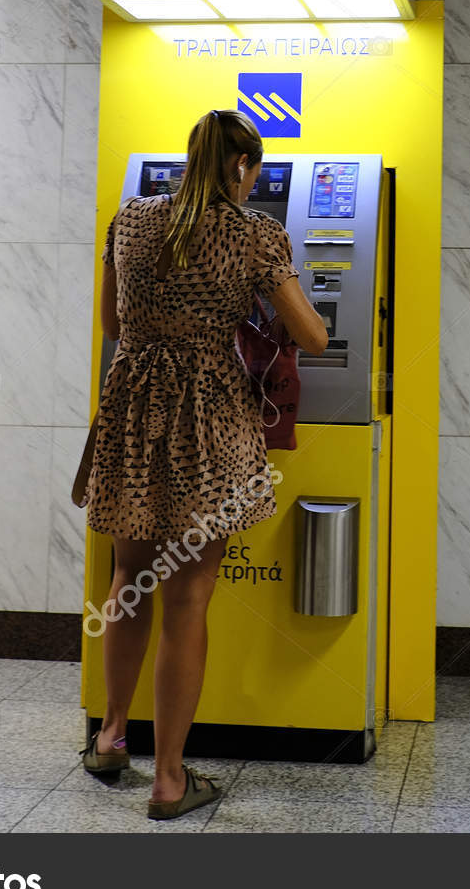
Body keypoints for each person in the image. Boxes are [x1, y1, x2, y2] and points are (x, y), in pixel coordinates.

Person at [80, 109, 328, 820]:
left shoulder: (131, 219)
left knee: (130, 580)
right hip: (208, 419)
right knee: (187, 598)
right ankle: (168, 780)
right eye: (254, 173)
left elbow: (113, 324)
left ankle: (111, 736)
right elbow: (314, 335)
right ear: (243, 166)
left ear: (190, 158)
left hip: (133, 409)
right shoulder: (255, 233)